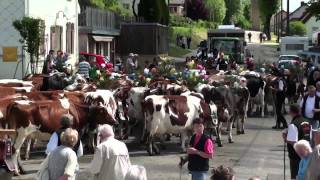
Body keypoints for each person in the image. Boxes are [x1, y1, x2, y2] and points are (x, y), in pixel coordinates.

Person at [284, 104, 311, 180]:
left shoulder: (293, 124)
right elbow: (310, 138)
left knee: (295, 176)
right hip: (306, 155)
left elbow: (293, 142)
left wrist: (285, 138)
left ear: (291, 112)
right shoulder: (307, 122)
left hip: (296, 157)